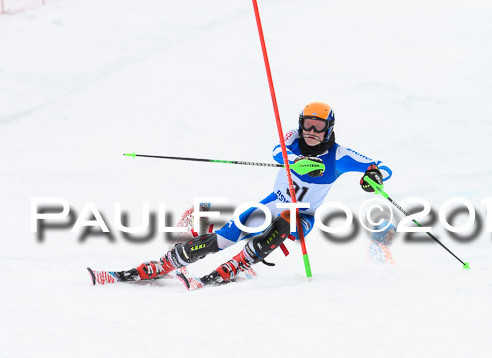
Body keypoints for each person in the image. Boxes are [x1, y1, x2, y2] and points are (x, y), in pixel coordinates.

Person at [87, 101, 392, 289]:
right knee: (224, 236)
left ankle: (238, 265)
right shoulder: (293, 140)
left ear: (330, 128)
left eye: (319, 126)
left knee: (287, 220)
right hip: (273, 201)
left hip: (304, 215)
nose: (311, 131)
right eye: (307, 124)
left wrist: (373, 177)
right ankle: (165, 264)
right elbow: (277, 151)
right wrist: (295, 160)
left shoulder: (339, 155)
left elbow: (379, 168)